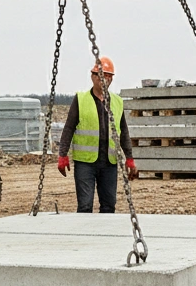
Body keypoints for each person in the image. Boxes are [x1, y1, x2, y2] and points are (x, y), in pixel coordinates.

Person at [57, 57, 139, 213]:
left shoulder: (117, 102)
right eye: (101, 75)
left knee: (109, 206)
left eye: (108, 76)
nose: (105, 79)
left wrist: (129, 158)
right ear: (93, 76)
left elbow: (123, 133)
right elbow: (68, 128)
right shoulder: (81, 99)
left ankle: (105, 230)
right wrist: (62, 155)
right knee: (85, 206)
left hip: (109, 162)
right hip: (85, 163)